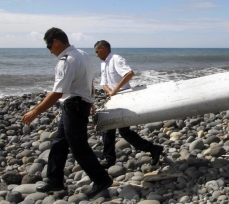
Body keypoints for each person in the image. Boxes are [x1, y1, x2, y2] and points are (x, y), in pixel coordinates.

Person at [22, 27, 112, 198]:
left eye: (49, 46)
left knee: (78, 147)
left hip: (74, 106)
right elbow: (89, 81)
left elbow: (57, 93)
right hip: (77, 104)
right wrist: (90, 100)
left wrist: (35, 111)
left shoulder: (67, 60)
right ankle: (54, 179)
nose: (50, 51)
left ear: (56, 41)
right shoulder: (82, 55)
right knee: (59, 143)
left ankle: (101, 179)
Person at [94, 40, 163, 168]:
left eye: (97, 52)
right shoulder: (103, 64)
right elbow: (104, 82)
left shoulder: (116, 59)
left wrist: (115, 90)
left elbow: (129, 74)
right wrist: (110, 92)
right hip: (114, 99)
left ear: (103, 49)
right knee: (116, 129)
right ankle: (153, 149)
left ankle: (109, 159)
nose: (96, 55)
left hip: (124, 97)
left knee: (118, 129)